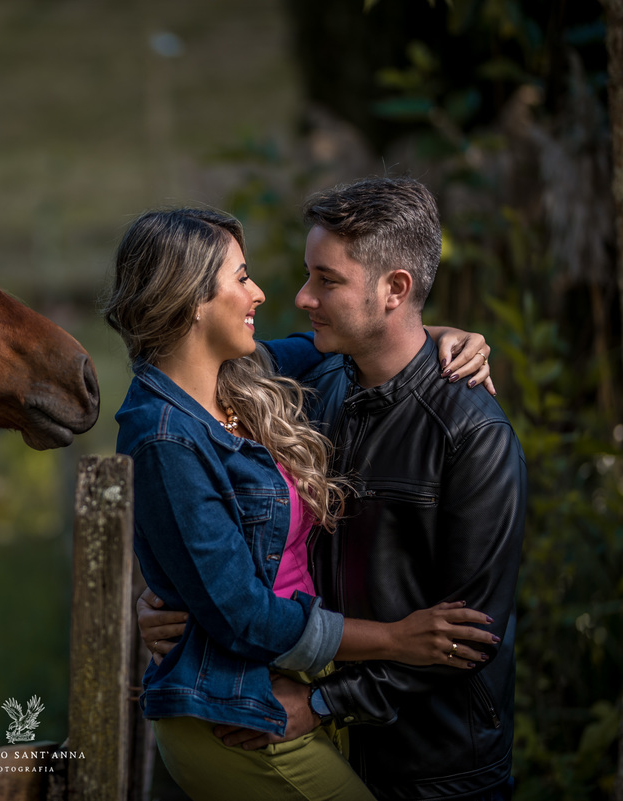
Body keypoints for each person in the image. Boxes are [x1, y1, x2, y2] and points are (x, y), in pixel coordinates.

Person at [139, 177, 526, 801]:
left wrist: (325, 701)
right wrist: (169, 595)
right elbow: (189, 370)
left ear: (394, 288)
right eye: (307, 274)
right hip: (325, 735)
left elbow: (467, 637)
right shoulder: (313, 384)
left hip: (437, 766)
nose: (301, 296)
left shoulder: (470, 432)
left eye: (328, 280)